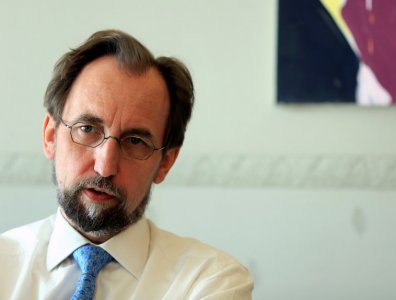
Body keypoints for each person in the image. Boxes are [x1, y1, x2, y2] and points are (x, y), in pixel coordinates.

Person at [0, 29, 253, 299]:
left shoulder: (210, 280)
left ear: (166, 163)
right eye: (87, 128)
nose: (105, 166)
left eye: (134, 141)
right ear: (51, 136)